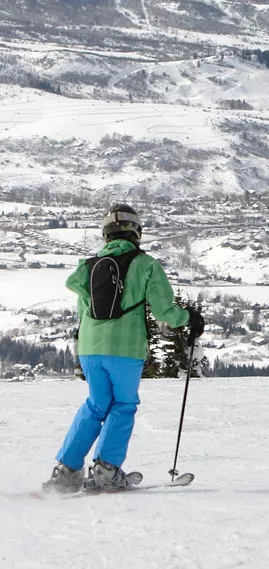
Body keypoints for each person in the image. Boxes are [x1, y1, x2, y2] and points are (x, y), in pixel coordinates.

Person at [42, 204, 205, 493]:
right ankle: (106, 470)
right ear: (136, 232)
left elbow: (83, 311)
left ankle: (66, 472)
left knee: (95, 405)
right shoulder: (146, 265)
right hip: (125, 349)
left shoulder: (88, 267)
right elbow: (165, 311)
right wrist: (190, 318)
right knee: (123, 405)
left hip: (91, 348)